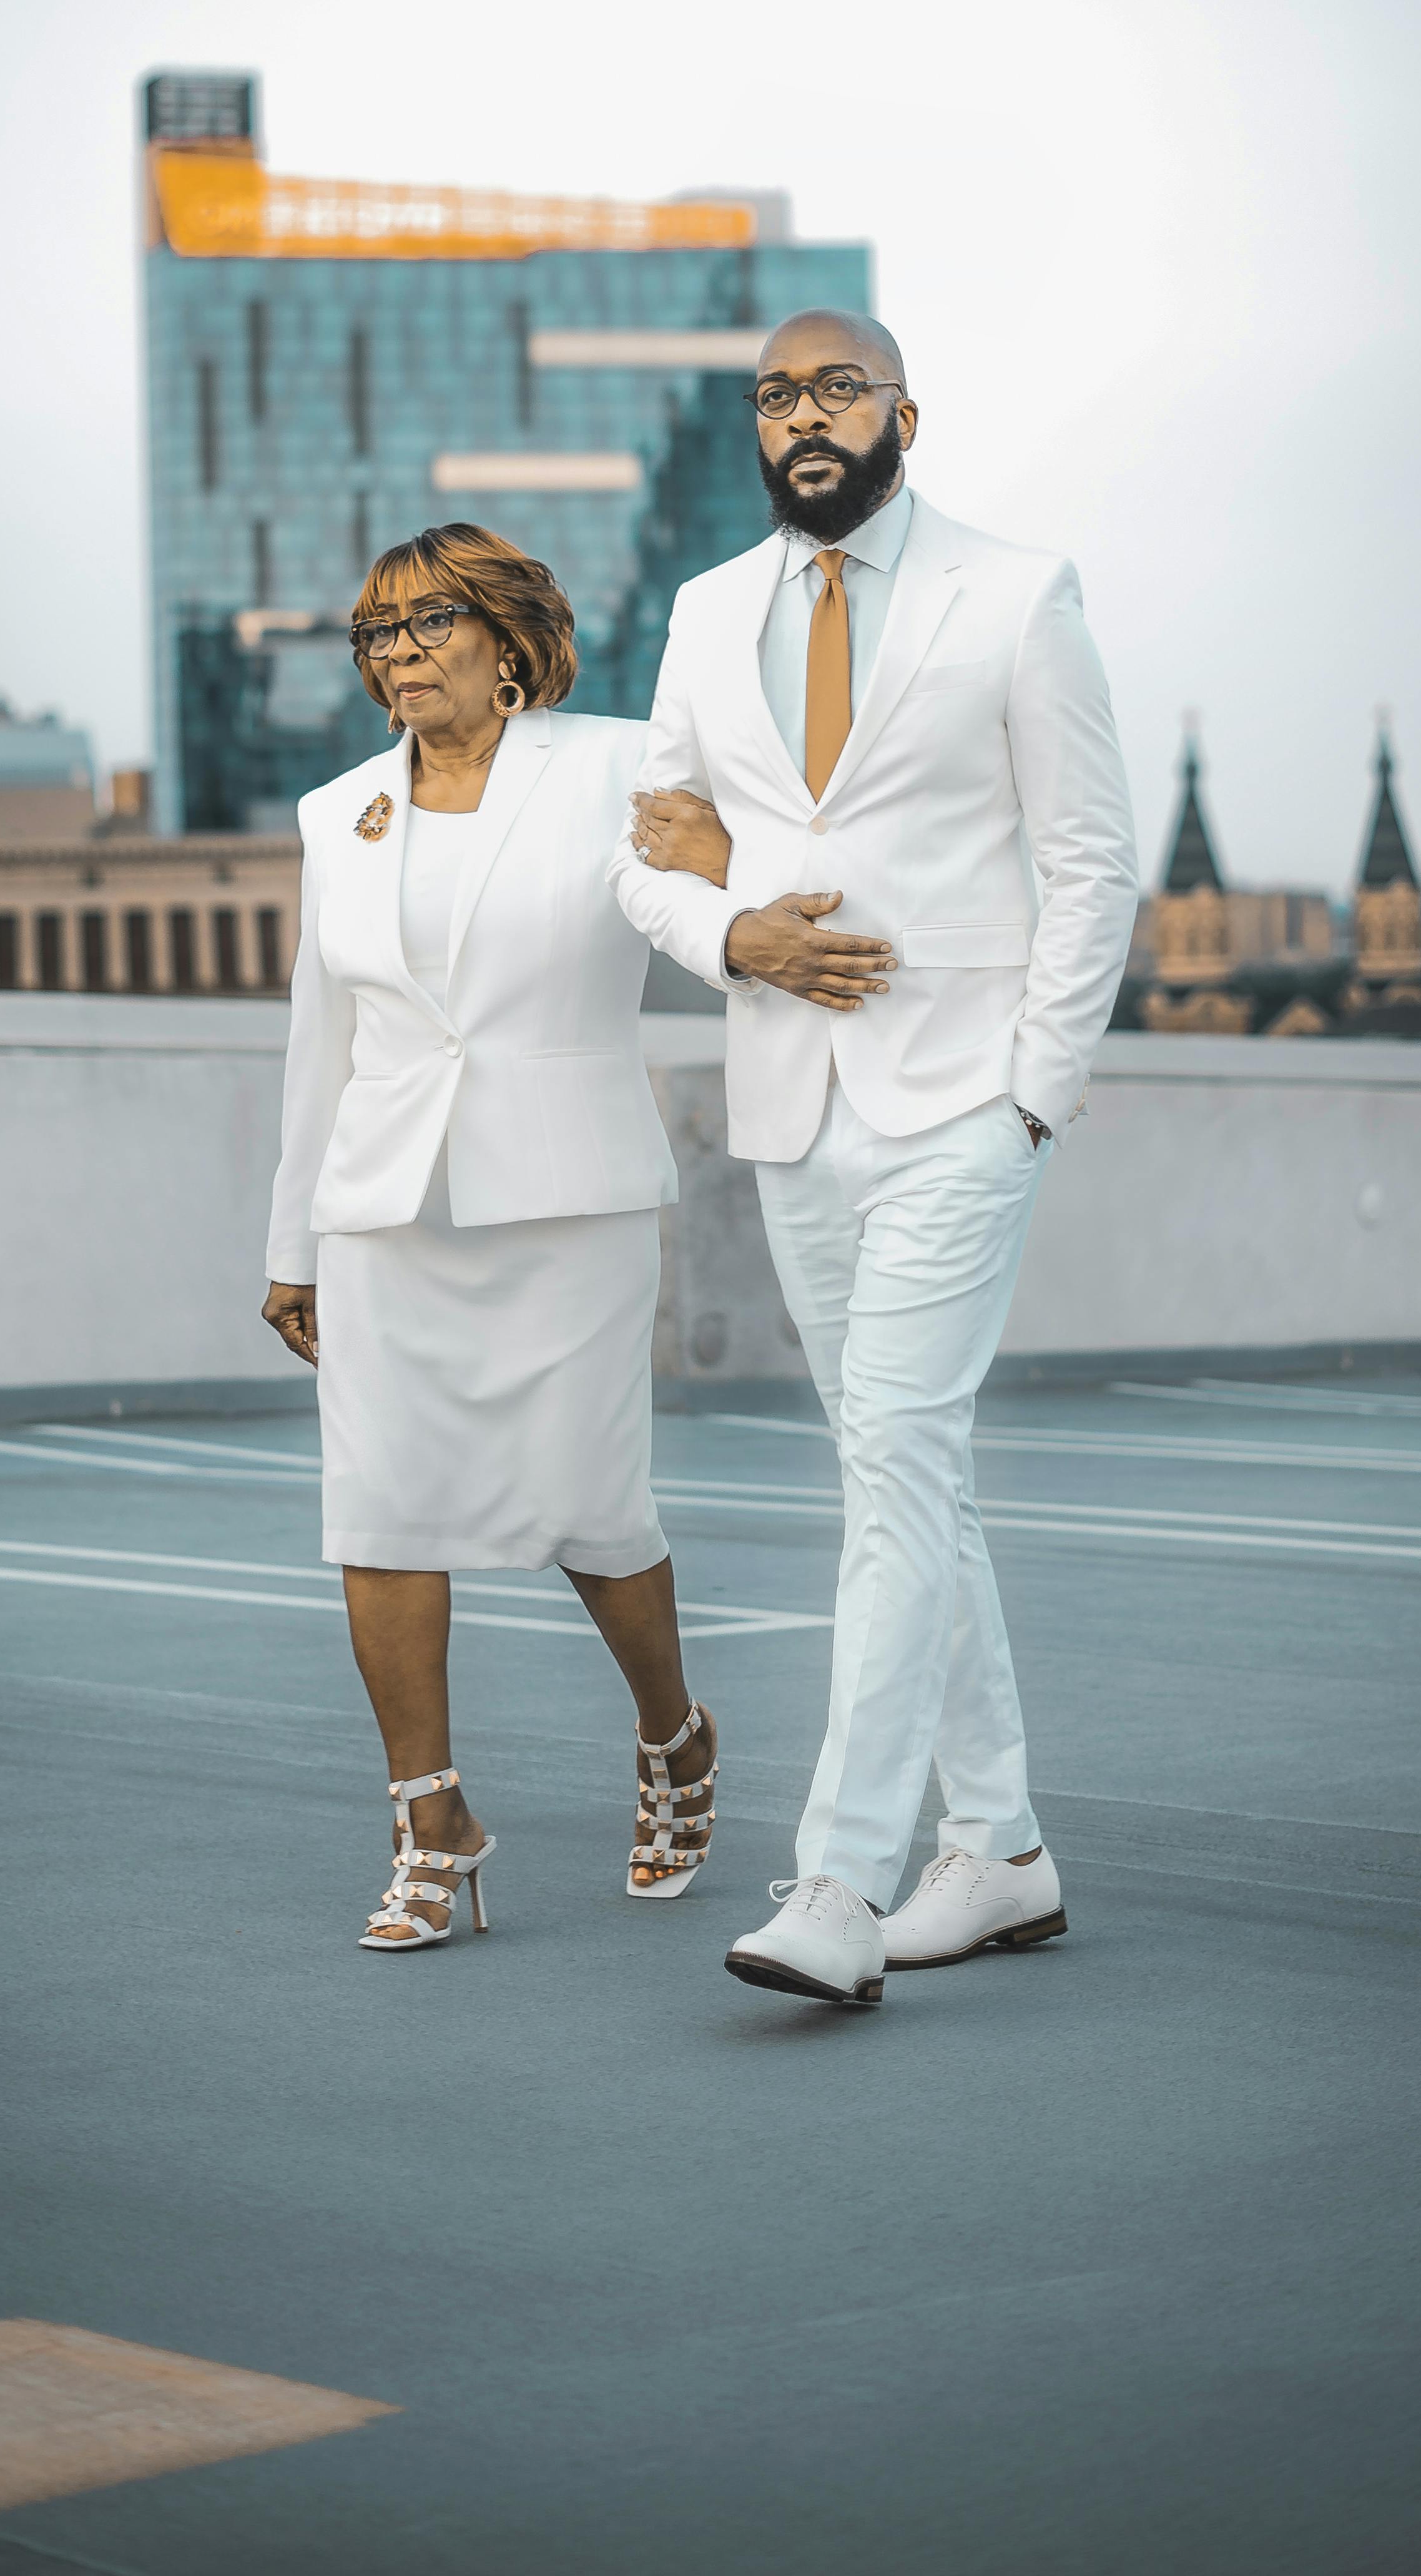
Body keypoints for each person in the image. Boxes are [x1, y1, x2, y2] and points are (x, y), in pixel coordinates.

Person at [612, 313, 1136, 2007]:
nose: (803, 419)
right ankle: (1003, 1852)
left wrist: (1032, 1095)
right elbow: (648, 859)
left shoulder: (1016, 593)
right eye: (776, 397)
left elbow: (1091, 860)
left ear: (906, 410)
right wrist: (734, 932)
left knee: (899, 1465)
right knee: (907, 1481)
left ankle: (838, 1882)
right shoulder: (703, 615)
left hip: (963, 1103)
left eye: (836, 389)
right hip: (794, 1108)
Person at [263, 522, 719, 1951]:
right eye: (373, 635)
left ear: (508, 635)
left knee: (591, 1509)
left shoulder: (619, 763)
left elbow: (711, 895)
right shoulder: (337, 813)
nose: (394, 655)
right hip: (388, 1206)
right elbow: (317, 1040)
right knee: (381, 1509)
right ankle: (430, 1819)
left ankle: (675, 1737)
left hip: (565, 1197)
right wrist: (292, 1241)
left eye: (422, 624)